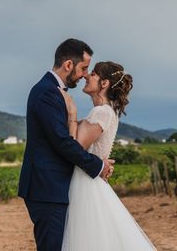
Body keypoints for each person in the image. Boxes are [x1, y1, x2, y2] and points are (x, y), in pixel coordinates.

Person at [18, 39, 115, 251]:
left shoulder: (52, 91)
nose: (84, 75)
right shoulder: (47, 92)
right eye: (83, 68)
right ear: (69, 65)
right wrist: (98, 166)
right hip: (47, 187)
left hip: (53, 187)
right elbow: (62, 142)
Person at [60, 61, 156, 250]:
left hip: (85, 184)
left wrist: (71, 113)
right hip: (89, 180)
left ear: (104, 84)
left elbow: (74, 148)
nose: (87, 76)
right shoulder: (105, 112)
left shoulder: (101, 112)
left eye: (93, 74)